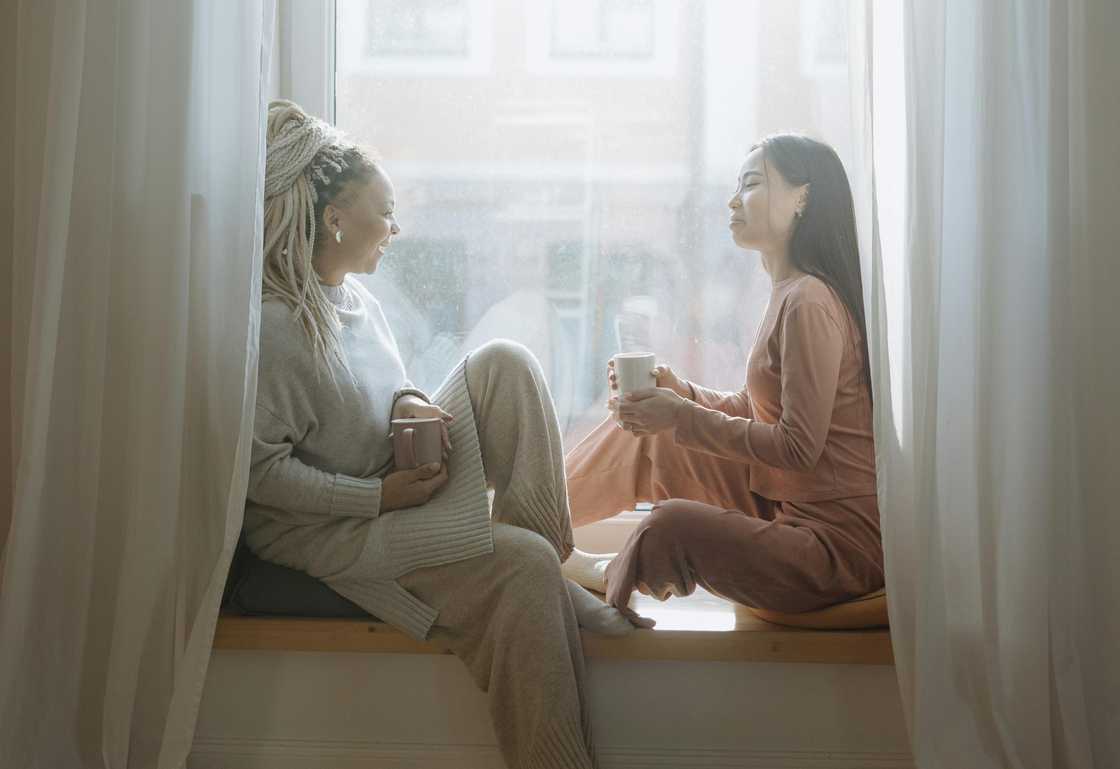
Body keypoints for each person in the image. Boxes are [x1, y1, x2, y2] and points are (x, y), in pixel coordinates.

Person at [245, 100, 633, 769]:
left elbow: (387, 384)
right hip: (337, 533)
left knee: (504, 362)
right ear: (335, 218)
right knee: (521, 566)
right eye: (385, 210)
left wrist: (412, 401)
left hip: (392, 484)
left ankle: (557, 555)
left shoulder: (356, 300)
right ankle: (544, 579)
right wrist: (377, 497)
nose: (395, 227)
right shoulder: (278, 329)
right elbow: (260, 476)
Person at [561, 134, 884, 627]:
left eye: (751, 184)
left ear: (802, 198)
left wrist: (681, 416)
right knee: (649, 437)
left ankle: (596, 571)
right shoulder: (790, 291)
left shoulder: (810, 302)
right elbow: (759, 411)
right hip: (785, 504)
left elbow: (799, 447)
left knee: (669, 526)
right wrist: (680, 395)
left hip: (834, 547)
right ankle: (526, 524)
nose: (733, 200)